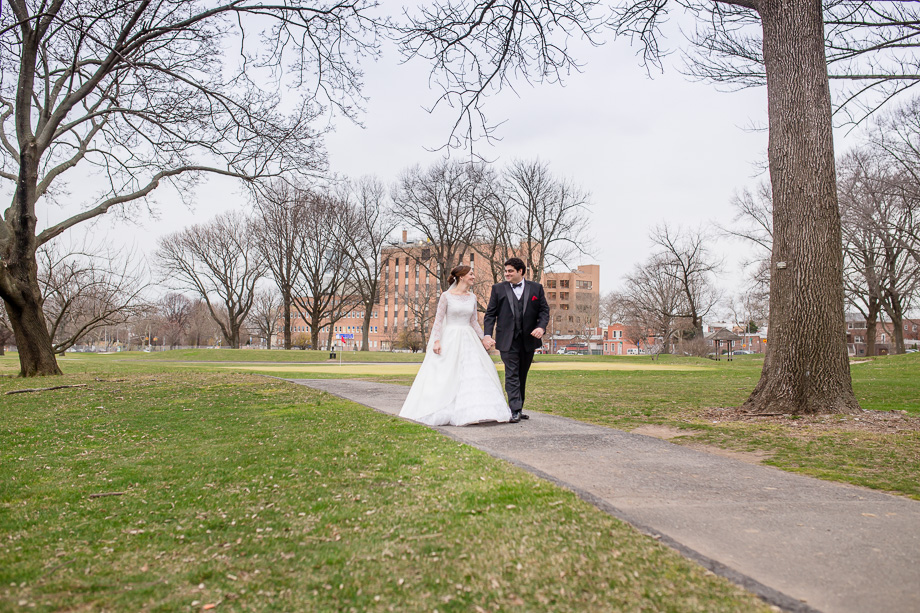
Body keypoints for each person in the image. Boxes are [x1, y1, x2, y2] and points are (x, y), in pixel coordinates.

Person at [399, 265, 512, 426]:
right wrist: (437, 340)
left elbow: (473, 321)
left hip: (468, 338)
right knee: (448, 372)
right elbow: (438, 320)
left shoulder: (472, 297)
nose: (473, 277)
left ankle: (477, 410)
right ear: (461, 276)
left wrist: (484, 338)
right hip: (450, 337)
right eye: (471, 274)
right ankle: (444, 408)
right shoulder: (446, 296)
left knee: (473, 371)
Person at [482, 258, 551, 423]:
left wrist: (541, 327)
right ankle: (515, 409)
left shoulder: (536, 288)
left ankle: (518, 407)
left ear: (520, 271)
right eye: (505, 271)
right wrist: (487, 334)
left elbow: (544, 310)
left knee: (522, 374)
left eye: (510, 271)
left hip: (529, 339)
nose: (506, 274)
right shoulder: (498, 289)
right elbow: (490, 314)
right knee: (511, 373)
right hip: (507, 339)